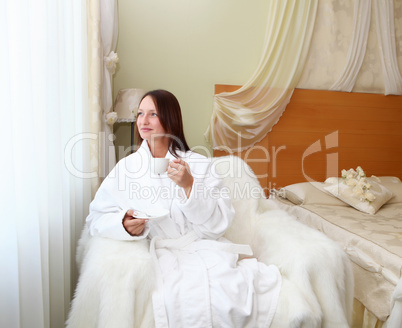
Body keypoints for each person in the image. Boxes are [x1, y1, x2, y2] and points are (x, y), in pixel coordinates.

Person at [86, 89, 281, 327]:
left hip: (201, 248)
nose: (143, 121)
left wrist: (190, 186)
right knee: (170, 296)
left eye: (152, 114)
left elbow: (219, 224)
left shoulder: (198, 164)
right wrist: (124, 225)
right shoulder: (126, 168)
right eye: (140, 114)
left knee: (229, 291)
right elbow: (96, 217)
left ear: (170, 119)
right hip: (160, 254)